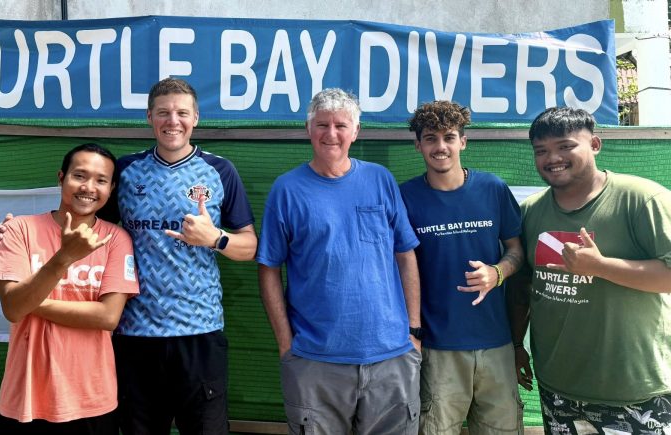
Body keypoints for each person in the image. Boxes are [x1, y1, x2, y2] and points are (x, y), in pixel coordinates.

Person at [0, 78, 258, 435]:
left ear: (195, 117)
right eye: (163, 112)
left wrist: (215, 239)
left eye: (181, 113)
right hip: (134, 336)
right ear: (150, 117)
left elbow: (250, 247)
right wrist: (10, 238)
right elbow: (87, 218)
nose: (172, 121)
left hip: (200, 334)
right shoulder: (128, 171)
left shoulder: (220, 171)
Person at [257, 88, 422, 434]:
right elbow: (269, 269)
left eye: (341, 125)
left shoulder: (380, 179)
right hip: (315, 361)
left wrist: (413, 331)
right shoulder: (286, 190)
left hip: (391, 356)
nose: (331, 134)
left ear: (356, 131)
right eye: (322, 124)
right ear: (308, 129)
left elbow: (405, 255)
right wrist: (286, 343)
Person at [509, 107, 671, 433]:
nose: (552, 158)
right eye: (541, 151)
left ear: (595, 144)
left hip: (634, 389)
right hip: (558, 388)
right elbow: (522, 288)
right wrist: (516, 346)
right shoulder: (529, 212)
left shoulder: (642, 199)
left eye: (565, 146)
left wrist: (600, 267)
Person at [0, 143, 139, 435]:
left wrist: (30, 298)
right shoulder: (19, 230)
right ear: (61, 178)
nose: (89, 187)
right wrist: (64, 257)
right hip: (24, 400)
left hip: (92, 402)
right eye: (79, 176)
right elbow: (13, 310)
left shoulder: (116, 239)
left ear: (111, 188)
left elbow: (107, 316)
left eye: (101, 180)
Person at [400, 101, 524, 434]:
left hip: (496, 343)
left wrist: (497, 273)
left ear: (463, 141)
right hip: (438, 348)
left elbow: (516, 251)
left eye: (449, 137)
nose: (441, 147)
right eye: (430, 138)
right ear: (418, 144)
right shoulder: (405, 198)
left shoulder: (493, 189)